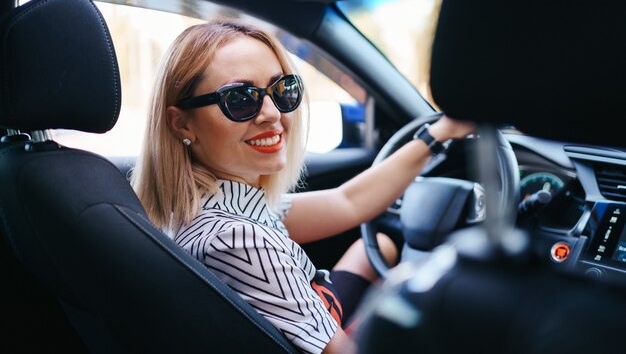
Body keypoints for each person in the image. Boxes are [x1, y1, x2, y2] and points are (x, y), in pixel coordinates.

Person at [131, 19, 473, 354]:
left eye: (282, 91)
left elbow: (348, 202)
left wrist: (440, 132)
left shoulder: (209, 203)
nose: (272, 114)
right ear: (181, 123)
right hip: (321, 327)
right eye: (239, 99)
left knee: (379, 245)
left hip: (315, 306)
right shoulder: (237, 239)